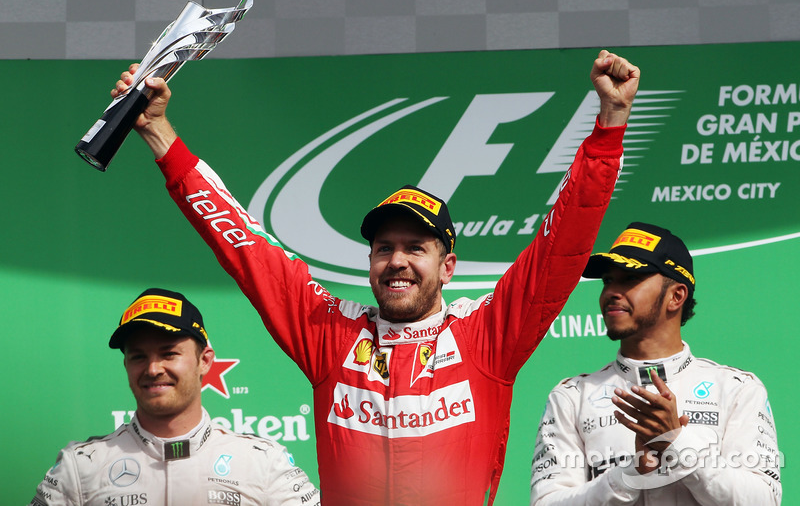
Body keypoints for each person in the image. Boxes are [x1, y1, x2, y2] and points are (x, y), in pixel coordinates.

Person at [112, 50, 639, 505]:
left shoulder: (486, 336)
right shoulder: (328, 333)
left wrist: (610, 125)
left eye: (416, 248)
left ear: (447, 266)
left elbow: (563, 242)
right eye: (383, 248)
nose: (397, 261)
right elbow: (240, 243)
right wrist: (159, 132)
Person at [530, 222, 782, 505]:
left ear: (676, 296)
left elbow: (763, 500)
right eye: (608, 280)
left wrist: (679, 445)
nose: (611, 291)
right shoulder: (572, 397)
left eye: (629, 279)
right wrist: (632, 472)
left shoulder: (737, 390)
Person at [30, 288, 320, 506]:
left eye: (169, 353)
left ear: (205, 361)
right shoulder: (80, 466)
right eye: (139, 356)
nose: (153, 369)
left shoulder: (265, 464)